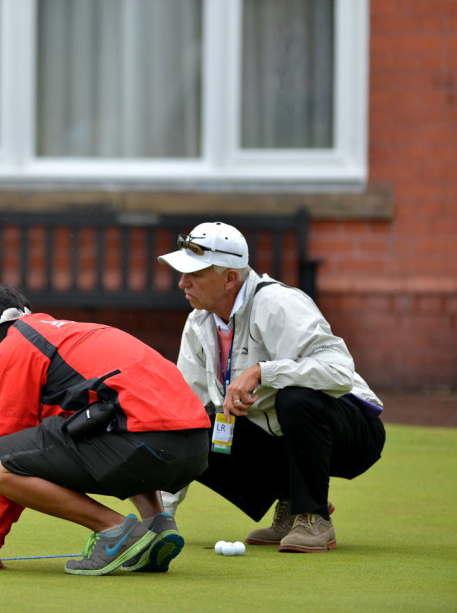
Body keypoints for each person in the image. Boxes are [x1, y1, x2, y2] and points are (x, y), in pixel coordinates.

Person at [0, 280, 212, 575]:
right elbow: (32, 453)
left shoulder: (14, 349)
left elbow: (7, 453)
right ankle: (157, 525)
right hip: (196, 445)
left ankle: (114, 531)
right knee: (105, 421)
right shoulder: (62, 333)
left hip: (145, 442)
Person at [157, 221, 386, 552]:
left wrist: (262, 372)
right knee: (199, 430)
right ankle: (292, 503)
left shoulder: (276, 303)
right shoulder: (198, 322)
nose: (182, 282)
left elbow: (339, 372)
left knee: (296, 398)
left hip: (353, 430)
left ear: (230, 278)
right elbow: (185, 412)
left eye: (196, 274)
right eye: (182, 272)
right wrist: (161, 516)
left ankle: (313, 516)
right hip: (283, 431)